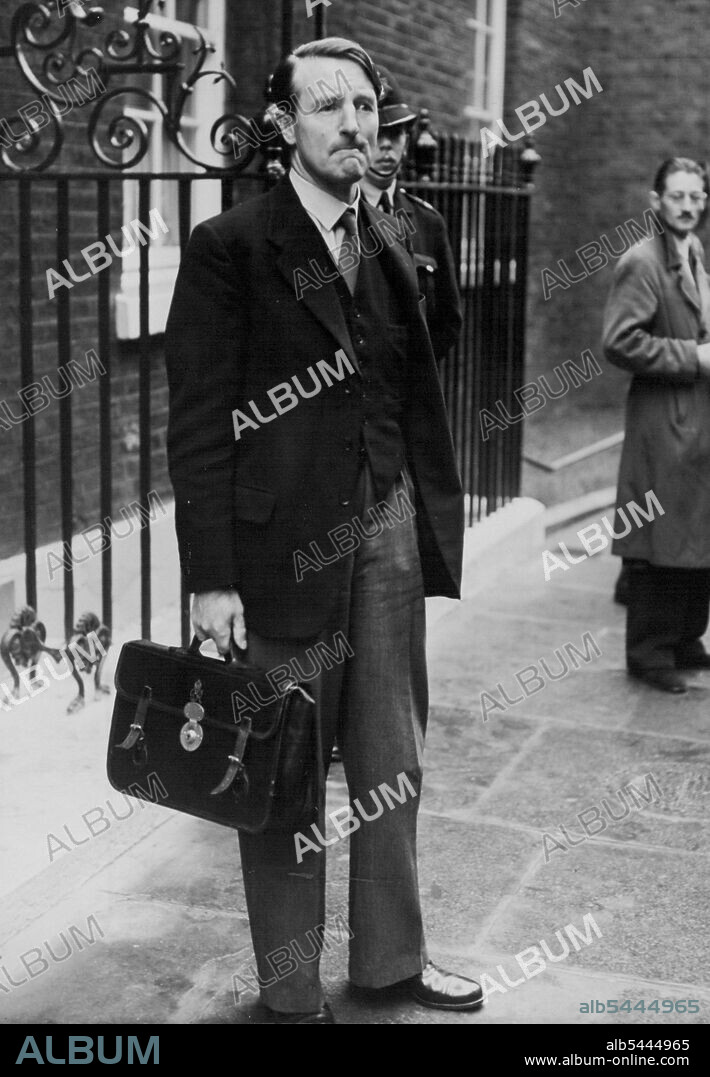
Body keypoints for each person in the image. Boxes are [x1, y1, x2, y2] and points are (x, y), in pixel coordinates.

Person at [165, 36, 483, 1023]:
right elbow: (198, 424)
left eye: (363, 108)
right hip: (278, 549)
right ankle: (291, 990)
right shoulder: (233, 248)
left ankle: (391, 962)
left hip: (382, 527)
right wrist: (213, 579)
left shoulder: (390, 237)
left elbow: (415, 375)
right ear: (282, 126)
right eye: (327, 107)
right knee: (285, 769)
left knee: (392, 759)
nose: (352, 124)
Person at [603, 156, 710, 694]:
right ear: (655, 201)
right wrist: (695, 356)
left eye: (696, 196)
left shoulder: (694, 254)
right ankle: (649, 653)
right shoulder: (641, 262)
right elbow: (620, 341)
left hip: (698, 422)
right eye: (677, 196)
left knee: (696, 532)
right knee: (659, 535)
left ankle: (687, 638)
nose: (688, 206)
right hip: (662, 424)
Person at [359, 67, 463, 363]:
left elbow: (448, 320)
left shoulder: (427, 222)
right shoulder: (338, 215)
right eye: (378, 133)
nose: (387, 146)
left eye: (397, 133)